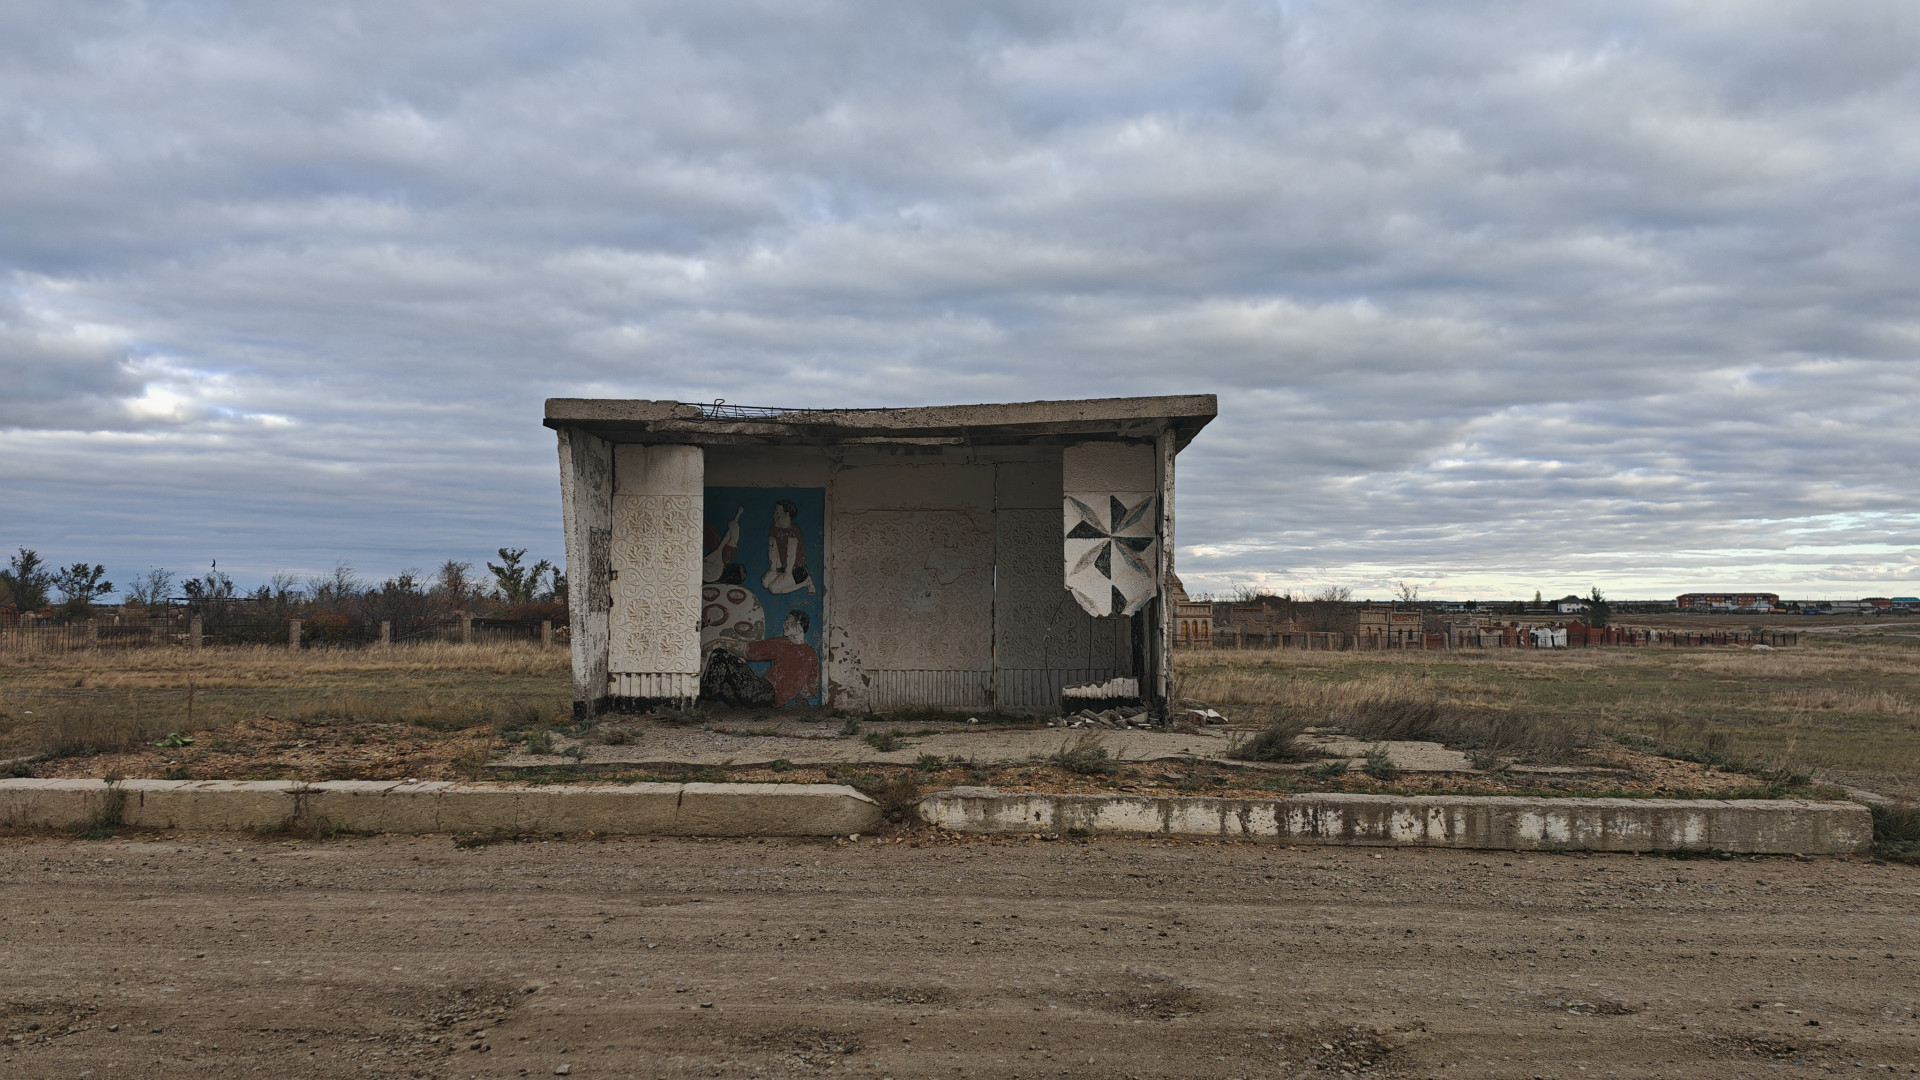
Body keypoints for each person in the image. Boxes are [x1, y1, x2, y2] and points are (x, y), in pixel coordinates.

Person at [741, 610, 819, 708]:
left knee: (727, 662)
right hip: (769, 695)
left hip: (767, 693)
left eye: (788, 621)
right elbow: (810, 688)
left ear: (799, 623)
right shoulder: (811, 653)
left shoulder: (783, 645)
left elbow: (749, 651)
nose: (784, 625)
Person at [761, 500, 815, 595]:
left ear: (787, 514)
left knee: (773, 588)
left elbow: (791, 554)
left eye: (779, 512)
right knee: (765, 583)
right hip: (781, 567)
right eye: (776, 511)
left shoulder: (793, 531)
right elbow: (772, 551)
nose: (776, 514)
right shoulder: (774, 529)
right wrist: (773, 568)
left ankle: (805, 582)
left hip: (796, 569)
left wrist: (788, 572)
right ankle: (783, 577)